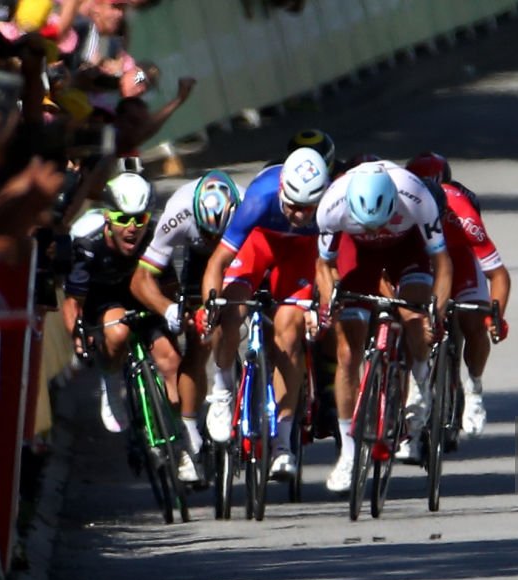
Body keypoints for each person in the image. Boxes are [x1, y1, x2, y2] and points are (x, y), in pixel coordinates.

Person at [314, 161, 451, 492]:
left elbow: (442, 263)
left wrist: (436, 309)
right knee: (347, 353)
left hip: (408, 249)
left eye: (382, 223)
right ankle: (349, 453)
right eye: (368, 225)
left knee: (415, 315)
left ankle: (419, 378)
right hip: (357, 254)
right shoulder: (332, 206)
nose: (376, 231)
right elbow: (324, 264)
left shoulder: (416, 195)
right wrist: (327, 302)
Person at [200, 147, 328, 479]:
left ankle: (283, 444)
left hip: (301, 253)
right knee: (230, 313)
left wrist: (320, 307)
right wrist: (209, 306)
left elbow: (330, 267)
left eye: (308, 208)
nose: (300, 216)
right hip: (260, 243)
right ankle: (223, 390)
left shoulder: (328, 209)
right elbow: (218, 262)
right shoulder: (260, 198)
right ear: (283, 192)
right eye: (294, 206)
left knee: (289, 332)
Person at [62, 172, 198, 481]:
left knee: (172, 362)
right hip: (103, 302)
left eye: (140, 219)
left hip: (143, 298)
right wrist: (77, 337)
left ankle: (182, 440)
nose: (132, 228)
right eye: (123, 219)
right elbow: (73, 302)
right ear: (108, 218)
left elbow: (169, 285)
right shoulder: (87, 240)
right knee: (118, 331)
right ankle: (111, 383)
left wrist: (177, 314)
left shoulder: (154, 235)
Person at [129, 169, 244, 472]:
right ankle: (190, 439)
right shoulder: (179, 212)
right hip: (197, 264)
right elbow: (141, 280)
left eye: (217, 234)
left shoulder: (247, 208)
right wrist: (168, 309)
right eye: (207, 233)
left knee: (239, 317)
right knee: (198, 341)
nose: (212, 239)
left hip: (239, 258)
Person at [405, 152, 510, 442]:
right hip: (419, 258)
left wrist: (494, 315)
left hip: (460, 256)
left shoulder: (462, 213)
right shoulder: (402, 207)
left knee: (474, 321)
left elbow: (498, 274)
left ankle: (474, 387)